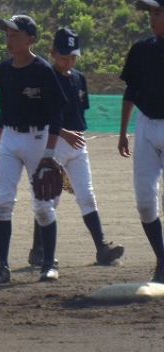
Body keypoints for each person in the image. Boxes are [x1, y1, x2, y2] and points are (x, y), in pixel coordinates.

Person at [27, 28, 124, 268]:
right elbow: (41, 115)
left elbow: (79, 112)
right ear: (52, 52)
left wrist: (76, 135)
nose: (68, 61)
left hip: (78, 144)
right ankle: (38, 251)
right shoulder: (47, 76)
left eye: (73, 56)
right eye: (64, 56)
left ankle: (102, 248)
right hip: (54, 141)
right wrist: (65, 134)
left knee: (86, 194)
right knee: (49, 198)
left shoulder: (78, 78)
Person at [0, 15, 68, 284]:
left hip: (37, 139)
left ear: (30, 38)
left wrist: (50, 153)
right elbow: (4, 111)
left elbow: (56, 115)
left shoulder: (42, 70)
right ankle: (2, 267)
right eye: (7, 34)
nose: (9, 39)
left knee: (43, 205)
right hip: (10, 138)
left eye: (15, 34)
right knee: (2, 202)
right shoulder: (4, 68)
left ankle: (49, 263)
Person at [118, 0, 164, 283]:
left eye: (157, 12)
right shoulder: (141, 49)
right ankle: (162, 260)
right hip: (146, 126)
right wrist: (123, 131)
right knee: (145, 202)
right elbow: (131, 90)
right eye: (151, 13)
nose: (152, 18)